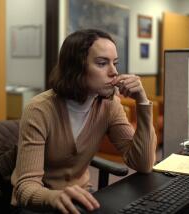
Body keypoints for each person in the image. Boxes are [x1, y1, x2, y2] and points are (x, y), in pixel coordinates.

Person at [11, 29, 157, 214]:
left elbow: (143, 164)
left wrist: (142, 102)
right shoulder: (39, 109)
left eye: (115, 63)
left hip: (82, 197)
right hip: (41, 203)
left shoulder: (110, 105)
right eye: (102, 63)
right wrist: (54, 197)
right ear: (76, 67)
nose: (114, 72)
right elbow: (25, 188)